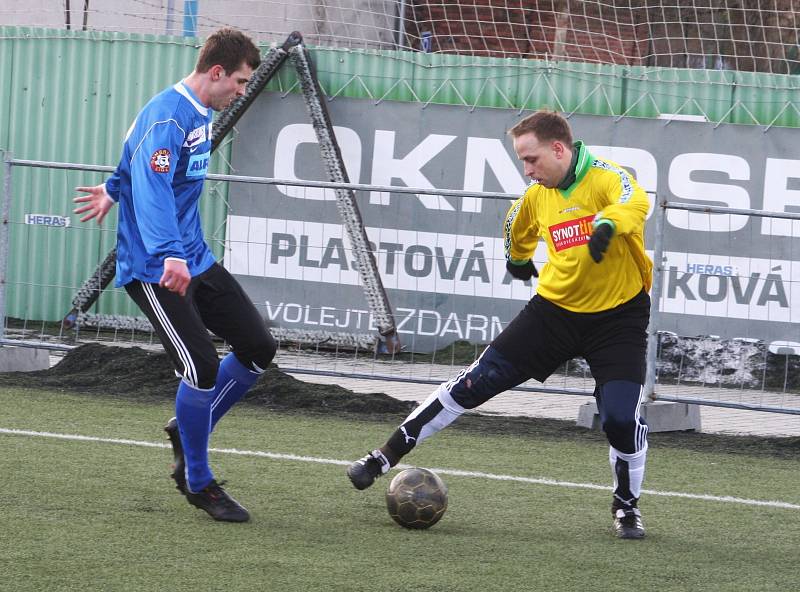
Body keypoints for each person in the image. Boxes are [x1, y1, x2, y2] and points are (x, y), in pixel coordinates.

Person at [347, 110, 653, 539]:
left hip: (618, 318)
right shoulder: (536, 194)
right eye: (522, 161)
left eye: (532, 160)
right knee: (472, 384)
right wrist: (518, 257)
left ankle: (626, 508)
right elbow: (515, 224)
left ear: (559, 149)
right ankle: (382, 457)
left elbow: (636, 202)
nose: (527, 170)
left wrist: (608, 223)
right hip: (554, 313)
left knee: (620, 419)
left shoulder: (604, 177)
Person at [73, 28, 274, 523]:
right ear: (216, 72)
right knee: (201, 366)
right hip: (155, 267)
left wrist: (112, 187)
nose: (242, 92)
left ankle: (187, 430)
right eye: (242, 82)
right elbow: (156, 187)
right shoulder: (169, 114)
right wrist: (168, 255)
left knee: (258, 346)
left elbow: (136, 160)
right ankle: (198, 481)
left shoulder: (196, 112)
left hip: (192, 257)